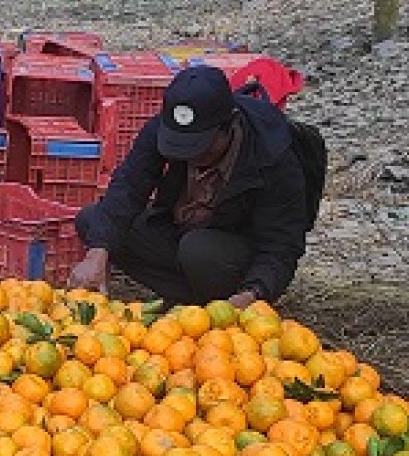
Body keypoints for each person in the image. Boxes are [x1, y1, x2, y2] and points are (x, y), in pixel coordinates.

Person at [71, 65, 311, 308]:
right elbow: (129, 186)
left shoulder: (272, 155)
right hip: (181, 229)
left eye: (201, 146)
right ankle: (191, 301)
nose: (192, 156)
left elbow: (281, 246)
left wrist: (252, 294)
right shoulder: (169, 127)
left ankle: (220, 301)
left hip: (232, 252)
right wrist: (97, 253)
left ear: (228, 127)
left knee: (198, 250)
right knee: (94, 222)